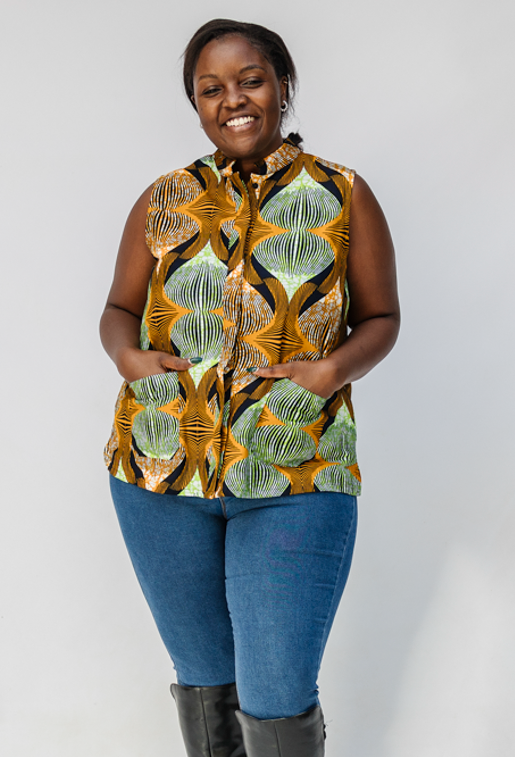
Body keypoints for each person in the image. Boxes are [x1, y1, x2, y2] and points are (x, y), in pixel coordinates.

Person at [100, 18, 400, 757]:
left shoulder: (342, 194)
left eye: (250, 80)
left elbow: (381, 317)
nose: (231, 99)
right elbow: (117, 310)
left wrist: (332, 371)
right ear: (196, 104)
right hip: (159, 473)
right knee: (204, 682)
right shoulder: (165, 197)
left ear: (282, 87)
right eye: (211, 89)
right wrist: (127, 358)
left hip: (295, 472)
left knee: (274, 693)